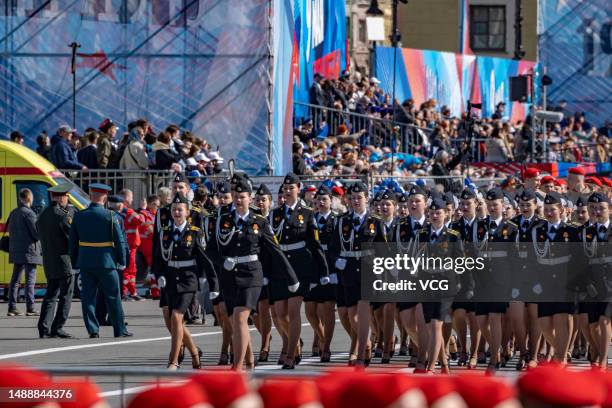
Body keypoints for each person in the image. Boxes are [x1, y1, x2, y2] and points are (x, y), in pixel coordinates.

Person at [207, 179, 297, 371]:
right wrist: (223, 261)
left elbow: (275, 250)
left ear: (251, 199)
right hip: (229, 277)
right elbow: (210, 249)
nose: (238, 200)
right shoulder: (223, 220)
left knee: (240, 318)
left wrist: (291, 277)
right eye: (236, 197)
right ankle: (249, 360)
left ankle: (237, 368)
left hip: (251, 275)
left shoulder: (260, 222)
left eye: (242, 197)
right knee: (233, 321)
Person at [269, 173, 329, 369]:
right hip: (280, 266)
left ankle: (290, 353)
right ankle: (296, 343)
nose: (287, 191)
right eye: (285, 188)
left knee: (293, 311)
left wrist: (323, 271)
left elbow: (315, 244)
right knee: (279, 314)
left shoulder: (308, 213)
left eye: (291, 188)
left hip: (301, 266)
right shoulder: (274, 214)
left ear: (298, 188)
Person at [155, 193, 217, 370]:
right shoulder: (165, 232)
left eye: (180, 209)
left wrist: (213, 283)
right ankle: (195, 352)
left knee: (176, 317)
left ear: (187, 212)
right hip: (169, 280)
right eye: (174, 209)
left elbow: (205, 259)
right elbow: (159, 257)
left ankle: (173, 360)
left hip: (188, 280)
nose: (176, 212)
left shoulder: (195, 232)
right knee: (174, 321)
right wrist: (158, 274)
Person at [328, 181, 386, 366]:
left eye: (359, 197)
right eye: (352, 198)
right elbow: (332, 247)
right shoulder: (341, 221)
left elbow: (383, 248)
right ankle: (367, 342)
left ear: (366, 199)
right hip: (349, 271)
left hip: (368, 270)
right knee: (352, 315)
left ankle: (361, 354)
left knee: (362, 312)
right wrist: (336, 260)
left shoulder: (375, 222)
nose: (355, 201)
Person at [68, 183, 132, 338]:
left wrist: (75, 262)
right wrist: (122, 261)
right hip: (107, 263)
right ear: (105, 198)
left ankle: (93, 330)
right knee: (113, 297)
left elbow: (72, 243)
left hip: (86, 262)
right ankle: (119, 329)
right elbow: (120, 241)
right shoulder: (111, 216)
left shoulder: (79, 215)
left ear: (91, 196)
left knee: (88, 298)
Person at [36, 184, 76, 338]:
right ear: (61, 197)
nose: (67, 200)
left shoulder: (43, 215)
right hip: (64, 261)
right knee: (66, 295)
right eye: (67, 197)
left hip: (49, 260)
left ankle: (44, 327)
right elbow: (70, 238)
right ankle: (58, 327)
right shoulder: (63, 215)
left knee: (50, 295)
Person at [7, 188, 42, 317]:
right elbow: (36, 234)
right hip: (29, 251)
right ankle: (31, 307)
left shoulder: (13, 213)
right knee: (30, 280)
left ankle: (12, 307)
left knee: (15, 279)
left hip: (16, 250)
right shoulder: (30, 214)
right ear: (29, 198)